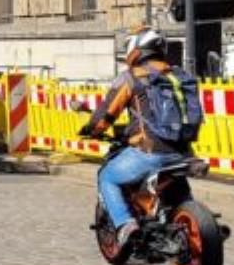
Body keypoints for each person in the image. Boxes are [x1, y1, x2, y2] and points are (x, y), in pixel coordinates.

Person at [80, 27, 192, 251]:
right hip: (184, 151)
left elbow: (106, 114)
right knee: (179, 190)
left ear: (136, 49)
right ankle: (188, 220)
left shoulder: (132, 77)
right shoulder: (179, 76)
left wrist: (92, 129)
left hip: (150, 151)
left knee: (107, 177)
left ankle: (126, 225)